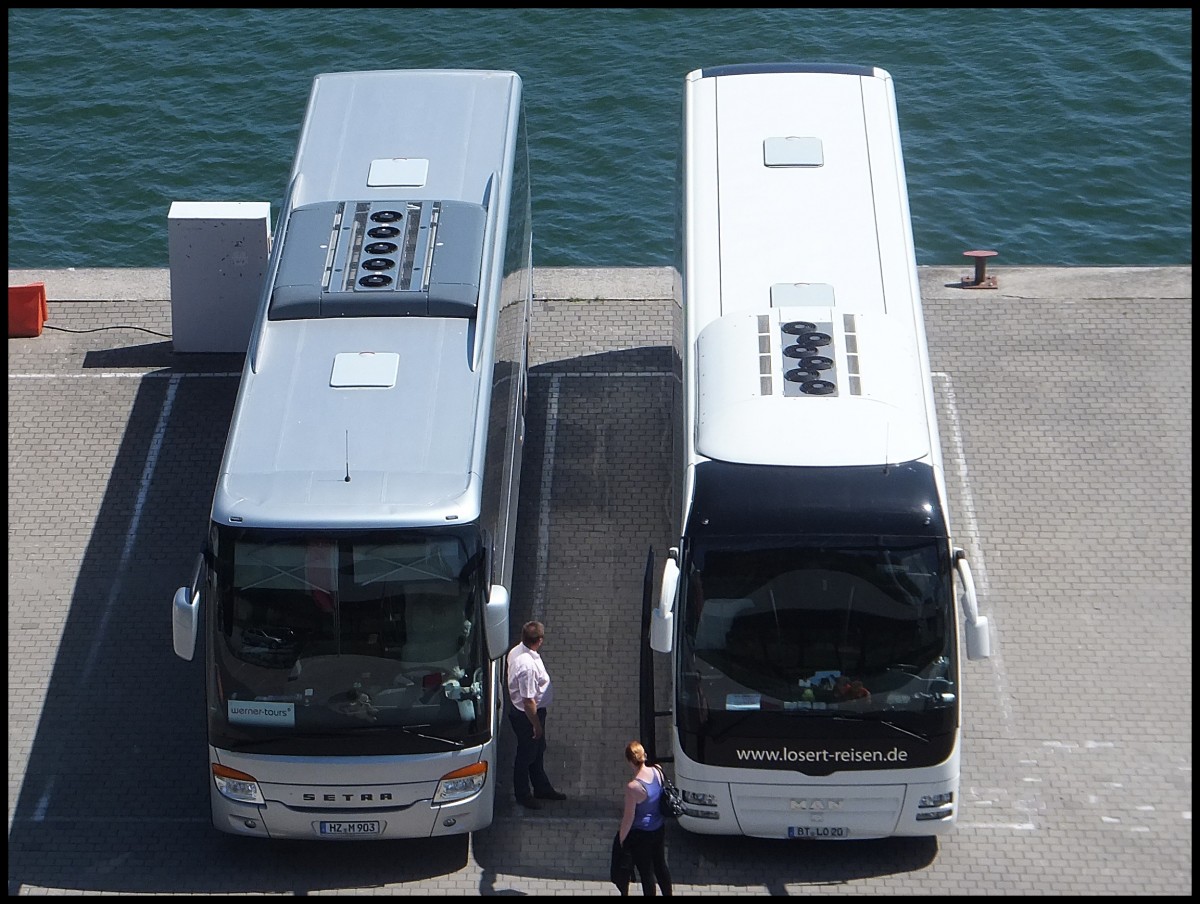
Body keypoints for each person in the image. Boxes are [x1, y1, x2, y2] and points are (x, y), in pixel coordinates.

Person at [506, 620, 567, 809]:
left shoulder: (517, 651)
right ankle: (523, 794)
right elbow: (528, 700)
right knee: (526, 755)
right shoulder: (527, 667)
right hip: (528, 717)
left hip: (531, 714)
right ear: (539, 640)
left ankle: (541, 787)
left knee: (537, 751)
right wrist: (536, 725)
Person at [616, 740, 673, 896]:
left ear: (629, 761)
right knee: (661, 865)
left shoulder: (633, 787)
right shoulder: (658, 771)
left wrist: (621, 839)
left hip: (642, 835)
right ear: (645, 755)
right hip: (659, 828)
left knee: (646, 872)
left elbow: (629, 817)